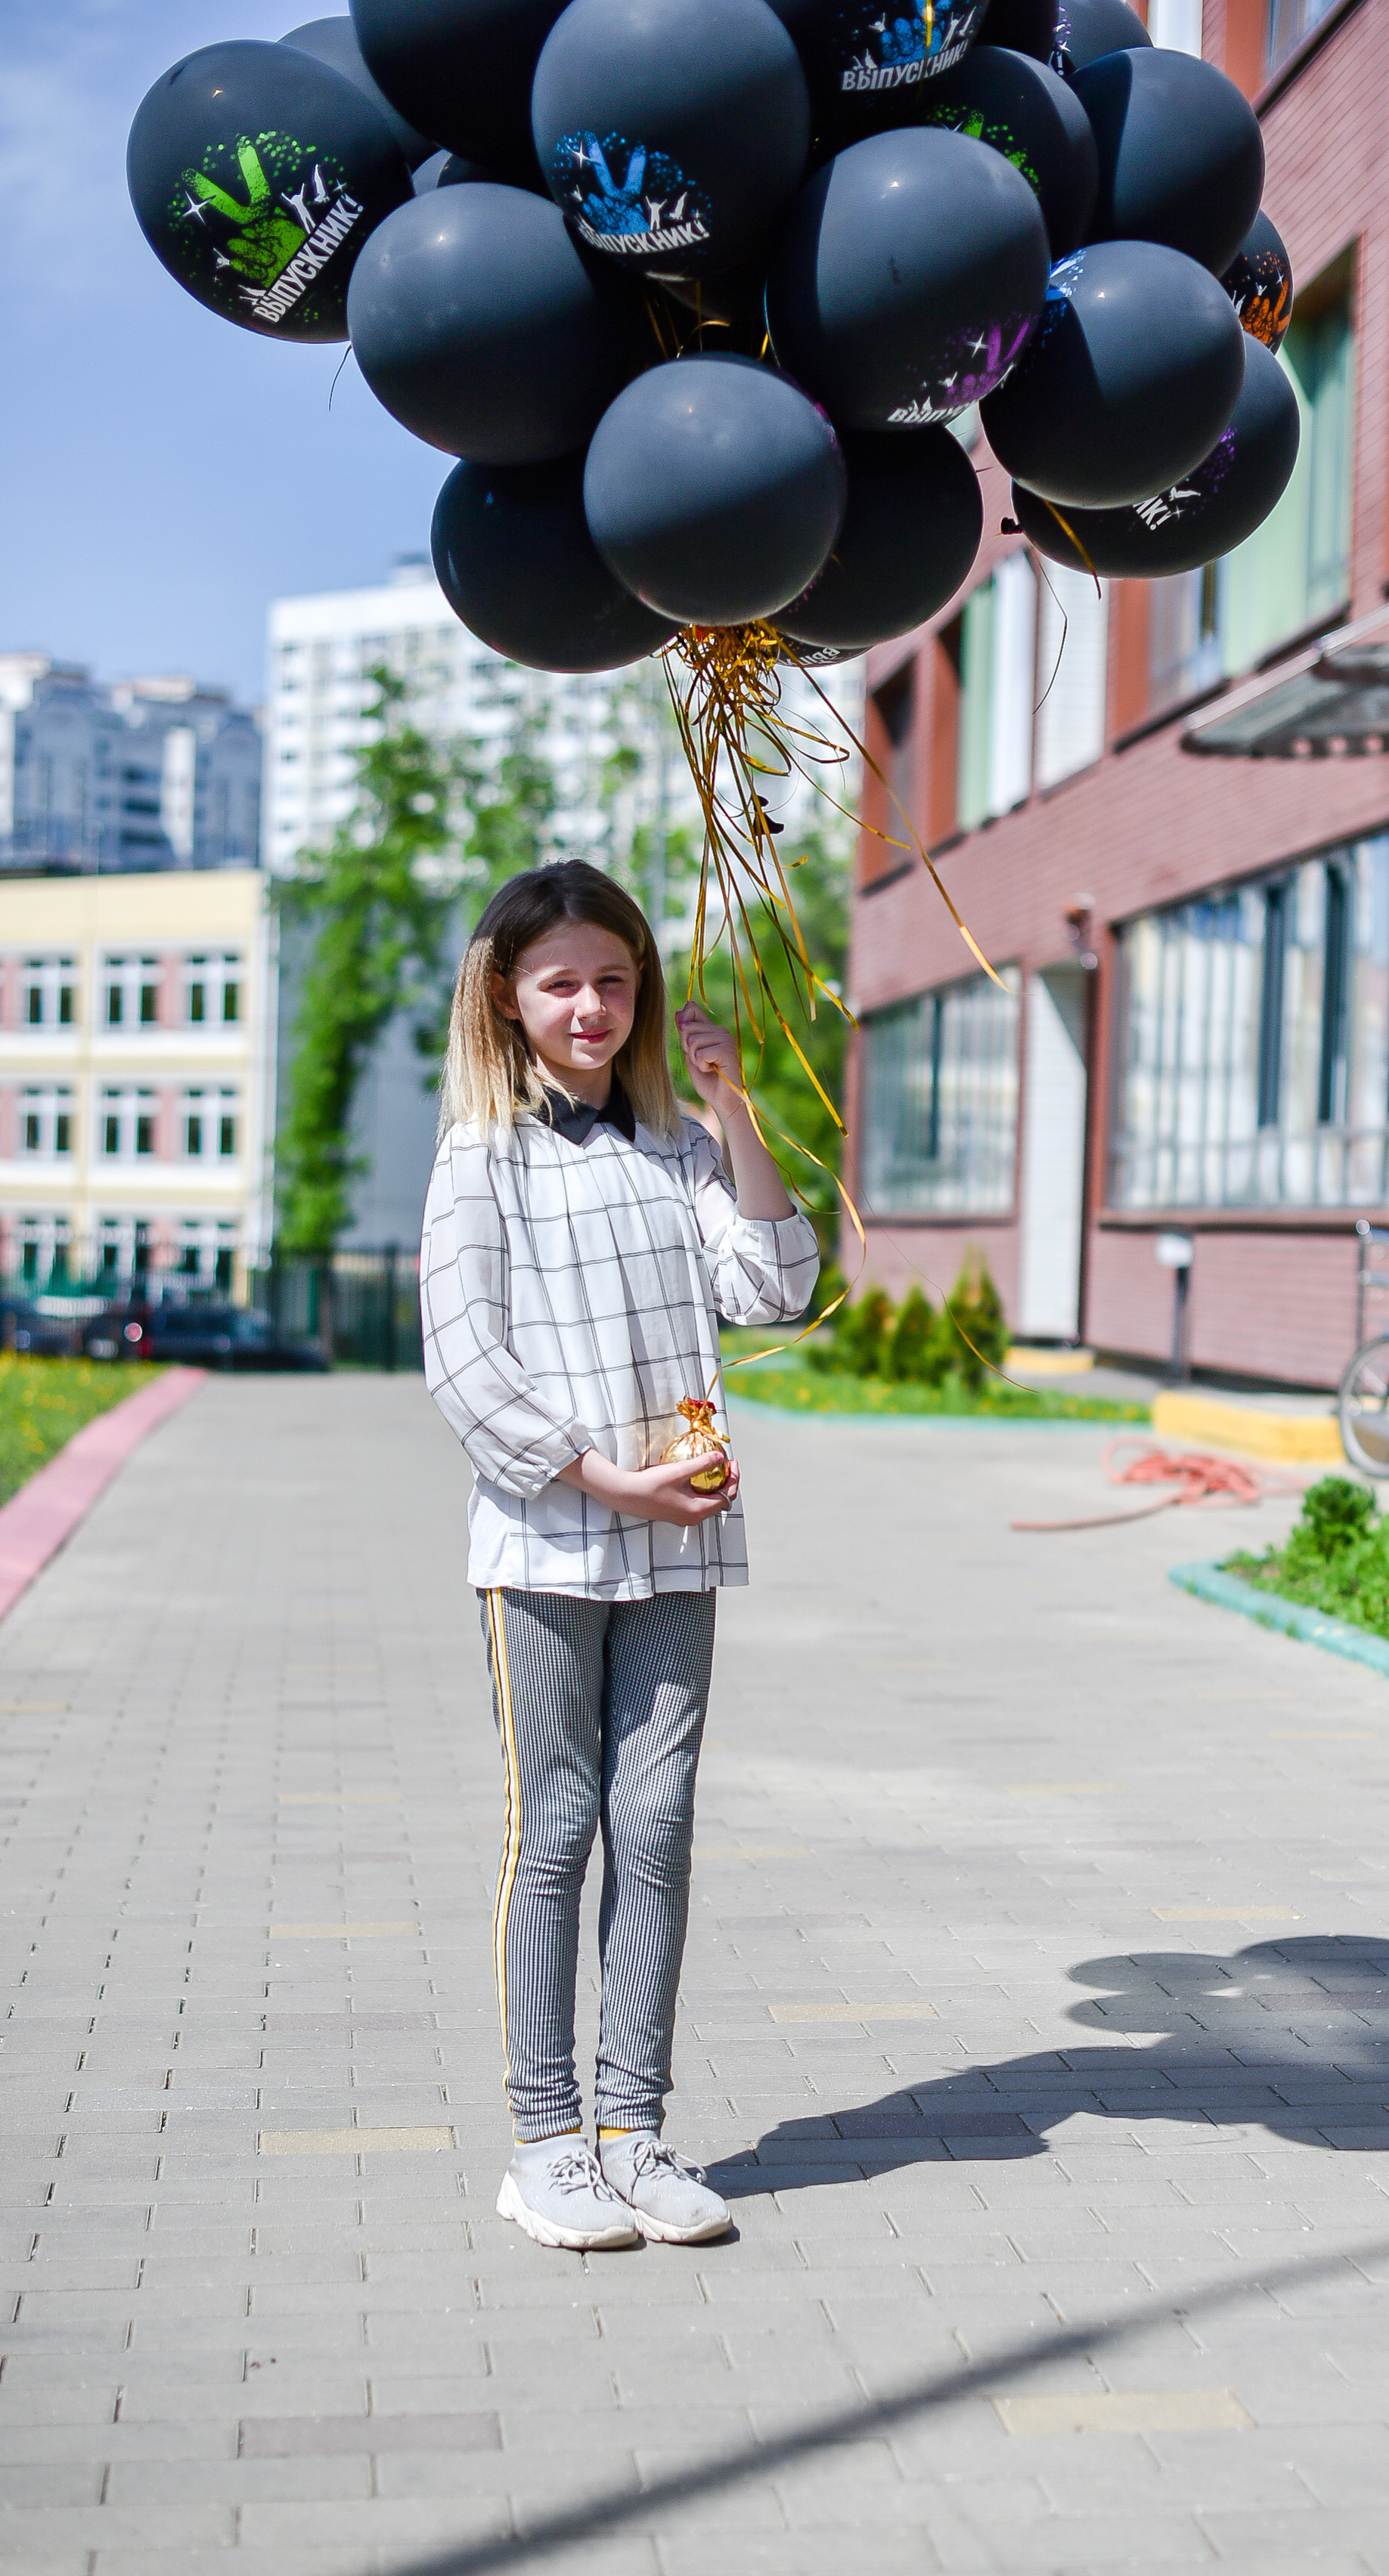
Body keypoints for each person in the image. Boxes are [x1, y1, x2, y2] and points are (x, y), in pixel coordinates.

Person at [420, 860, 820, 2250]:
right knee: (561, 1829)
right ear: (508, 996)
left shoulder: (675, 1147)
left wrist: (731, 1106)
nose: (589, 1006)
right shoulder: (481, 1152)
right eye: (559, 981)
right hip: (544, 1539)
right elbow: (462, 1361)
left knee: (656, 1829)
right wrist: (604, 1482)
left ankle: (632, 2131)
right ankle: (544, 2144)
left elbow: (774, 1284)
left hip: (678, 1547)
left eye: (612, 979)